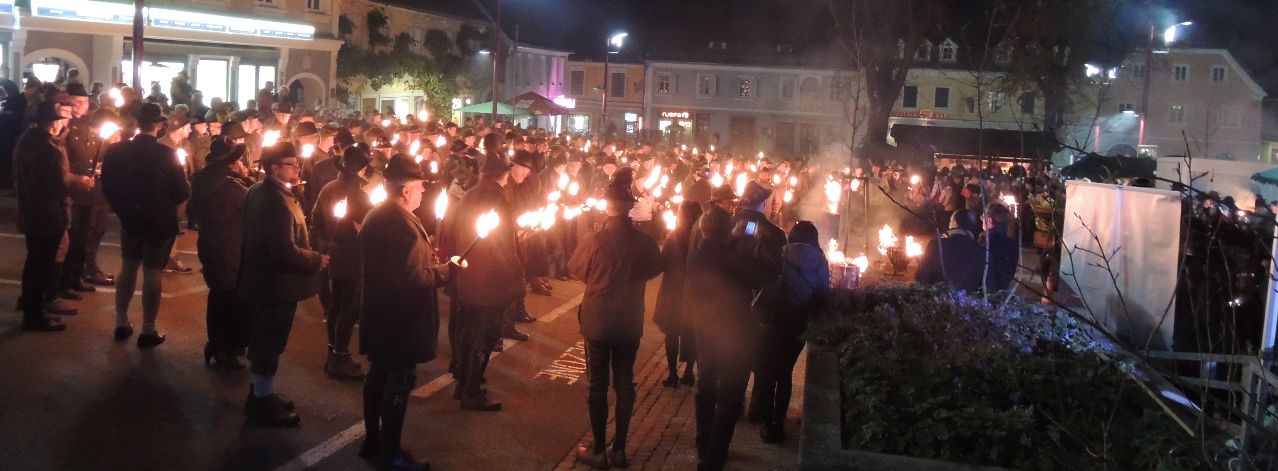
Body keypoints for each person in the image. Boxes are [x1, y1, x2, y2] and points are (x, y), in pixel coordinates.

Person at [356, 154, 450, 471]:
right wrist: (444, 272)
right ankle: (392, 454)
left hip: (381, 315)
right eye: (421, 186)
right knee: (397, 385)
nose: (424, 192)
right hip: (400, 320)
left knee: (378, 376)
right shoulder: (399, 224)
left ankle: (373, 441)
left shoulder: (379, 215)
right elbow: (412, 278)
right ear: (406, 189)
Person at [568, 171, 663, 469]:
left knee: (597, 384)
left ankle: (598, 448)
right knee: (625, 382)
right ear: (629, 207)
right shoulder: (644, 243)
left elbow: (577, 271)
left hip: (598, 321)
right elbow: (654, 270)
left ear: (607, 206)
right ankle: (619, 449)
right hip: (628, 320)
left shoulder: (593, 239)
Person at [239, 142, 328, 427]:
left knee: (266, 341)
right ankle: (261, 404)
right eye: (291, 163)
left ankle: (261, 394)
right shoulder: (274, 199)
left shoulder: (262, 191)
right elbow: (284, 250)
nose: (297, 168)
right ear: (275, 167)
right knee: (269, 343)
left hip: (265, 282)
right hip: (274, 285)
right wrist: (316, 259)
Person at [685, 207, 772, 471]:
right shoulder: (730, 257)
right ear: (726, 231)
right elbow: (763, 276)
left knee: (706, 388)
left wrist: (733, 238)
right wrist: (752, 242)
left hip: (705, 330)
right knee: (729, 398)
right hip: (733, 333)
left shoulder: (697, 254)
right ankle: (713, 459)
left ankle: (703, 446)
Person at [100, 103, 191, 346]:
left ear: (137, 123)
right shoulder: (167, 154)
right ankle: (147, 328)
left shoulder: (116, 150)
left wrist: (121, 210)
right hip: (159, 220)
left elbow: (107, 184)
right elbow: (181, 191)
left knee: (128, 267)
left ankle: (121, 321)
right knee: (152, 271)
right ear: (159, 125)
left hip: (130, 218)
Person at [440, 152, 523, 411]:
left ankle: (463, 383)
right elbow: (503, 246)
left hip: (467, 275)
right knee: (483, 336)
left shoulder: (470, 195)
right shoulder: (496, 199)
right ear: (503, 175)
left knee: (468, 331)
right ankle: (471, 391)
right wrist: (515, 274)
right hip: (489, 279)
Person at [755, 221, 829, 443]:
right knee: (785, 372)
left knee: (769, 372)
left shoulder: (784, 252)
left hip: (775, 319)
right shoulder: (820, 259)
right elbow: (823, 291)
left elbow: (768, 277)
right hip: (798, 323)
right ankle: (779, 423)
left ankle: (766, 422)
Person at [14, 102, 86, 331]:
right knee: (41, 264)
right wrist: (77, 182)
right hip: (47, 214)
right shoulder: (47, 148)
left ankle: (29, 305)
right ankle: (34, 316)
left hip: (32, 211)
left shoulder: (27, 141)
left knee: (34, 261)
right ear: (53, 123)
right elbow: (58, 184)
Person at [189, 137, 252, 369]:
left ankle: (216, 344)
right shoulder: (231, 187)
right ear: (232, 164)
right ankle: (226, 349)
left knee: (218, 297)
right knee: (232, 302)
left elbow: (192, 210)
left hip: (209, 244)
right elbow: (254, 204)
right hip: (231, 249)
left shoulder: (200, 179)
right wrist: (246, 178)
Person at [311, 146, 374, 380]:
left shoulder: (328, 188)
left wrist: (323, 243)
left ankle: (334, 352)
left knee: (336, 305)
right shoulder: (358, 195)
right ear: (362, 170)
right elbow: (369, 226)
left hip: (332, 252)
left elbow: (315, 219)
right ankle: (339, 356)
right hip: (350, 255)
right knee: (347, 307)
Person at [653, 201, 703, 388]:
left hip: (673, 293)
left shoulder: (673, 237)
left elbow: (662, 263)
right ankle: (689, 372)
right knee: (691, 333)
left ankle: (673, 373)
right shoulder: (702, 236)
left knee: (672, 334)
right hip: (694, 293)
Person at [915, 209, 985, 293]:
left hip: (940, 301)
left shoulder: (936, 246)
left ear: (955, 223)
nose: (949, 223)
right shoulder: (981, 252)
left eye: (950, 220)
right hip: (970, 303)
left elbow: (922, 277)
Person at [980, 203, 1020, 292]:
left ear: (989, 220)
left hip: (984, 292)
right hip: (1003, 291)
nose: (981, 220)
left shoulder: (985, 242)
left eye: (982, 217)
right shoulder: (1012, 244)